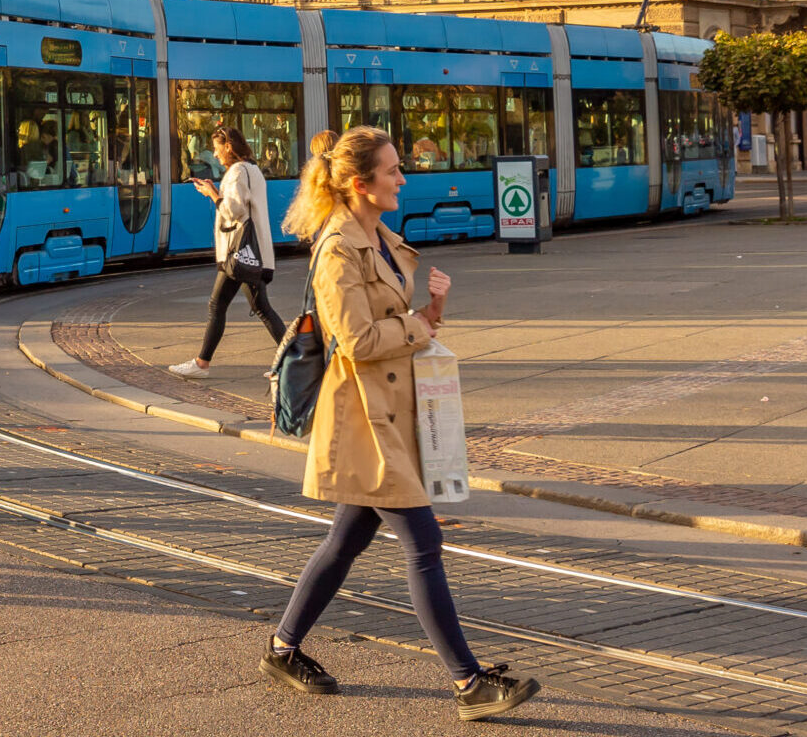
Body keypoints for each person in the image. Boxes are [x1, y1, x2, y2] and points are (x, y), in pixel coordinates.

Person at [261, 128, 538, 721]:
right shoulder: (337, 248)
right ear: (361, 184)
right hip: (365, 416)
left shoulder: (376, 235)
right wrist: (418, 325)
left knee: (348, 538)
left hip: (391, 408)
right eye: (392, 171)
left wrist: (429, 313)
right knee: (423, 542)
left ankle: (283, 648)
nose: (403, 178)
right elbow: (355, 339)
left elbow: (397, 322)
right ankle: (468, 684)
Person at [170, 126, 284, 380]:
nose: (215, 153)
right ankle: (291, 360)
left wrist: (212, 194)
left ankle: (201, 364)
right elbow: (244, 206)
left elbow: (232, 211)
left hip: (239, 253)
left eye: (217, 147)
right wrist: (218, 191)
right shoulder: (252, 169)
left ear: (228, 147)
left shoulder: (236, 172)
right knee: (259, 307)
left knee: (218, 305)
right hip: (252, 253)